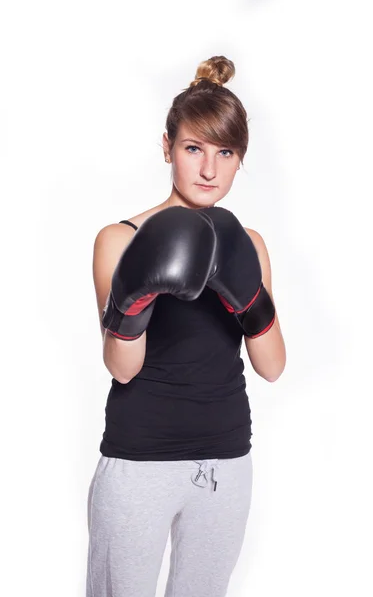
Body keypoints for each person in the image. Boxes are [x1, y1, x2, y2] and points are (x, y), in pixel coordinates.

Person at [87, 55, 286, 597]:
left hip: (225, 459)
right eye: (193, 148)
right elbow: (122, 367)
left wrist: (249, 300)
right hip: (139, 460)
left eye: (225, 153)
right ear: (167, 148)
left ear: (240, 160)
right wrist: (139, 292)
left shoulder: (250, 244)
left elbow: (271, 366)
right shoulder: (119, 238)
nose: (208, 169)